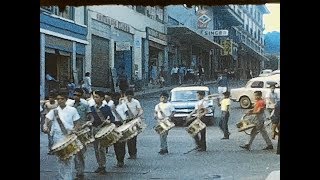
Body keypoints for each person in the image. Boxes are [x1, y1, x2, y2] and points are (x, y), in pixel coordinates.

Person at [42, 91, 81, 180]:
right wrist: (45, 126)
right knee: (60, 159)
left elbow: (77, 123)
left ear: (66, 99)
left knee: (69, 159)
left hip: (69, 137)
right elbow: (47, 120)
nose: (60, 101)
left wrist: (75, 130)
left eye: (62, 99)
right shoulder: (54, 111)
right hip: (57, 137)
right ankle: (61, 177)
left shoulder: (72, 110)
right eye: (58, 99)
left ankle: (68, 178)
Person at [90, 90, 115, 174]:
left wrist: (109, 122)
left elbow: (112, 118)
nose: (95, 99)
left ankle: (103, 166)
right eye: (94, 97)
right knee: (96, 149)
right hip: (95, 129)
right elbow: (90, 118)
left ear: (102, 98)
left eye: (97, 97)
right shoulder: (92, 107)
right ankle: (99, 165)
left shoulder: (106, 107)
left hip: (103, 129)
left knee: (102, 148)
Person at [72, 88, 93, 179]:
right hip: (72, 131)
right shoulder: (70, 106)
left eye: (78, 95)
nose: (76, 97)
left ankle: (80, 171)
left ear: (81, 96)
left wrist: (89, 122)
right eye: (75, 95)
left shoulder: (85, 105)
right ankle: (77, 170)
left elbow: (91, 117)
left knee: (81, 152)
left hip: (82, 131)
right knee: (74, 152)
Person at [111, 92, 130, 167]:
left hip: (122, 124)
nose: (114, 100)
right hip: (114, 124)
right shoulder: (110, 106)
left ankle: (121, 159)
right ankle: (118, 159)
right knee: (115, 143)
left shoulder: (123, 105)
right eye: (113, 98)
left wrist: (126, 120)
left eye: (116, 98)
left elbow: (127, 113)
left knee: (122, 143)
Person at [124, 90, 144, 159]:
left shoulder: (136, 102)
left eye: (130, 96)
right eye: (127, 96)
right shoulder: (124, 102)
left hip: (134, 120)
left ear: (132, 96)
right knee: (128, 138)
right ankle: (130, 153)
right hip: (126, 121)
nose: (129, 98)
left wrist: (138, 115)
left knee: (133, 138)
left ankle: (134, 153)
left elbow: (140, 110)